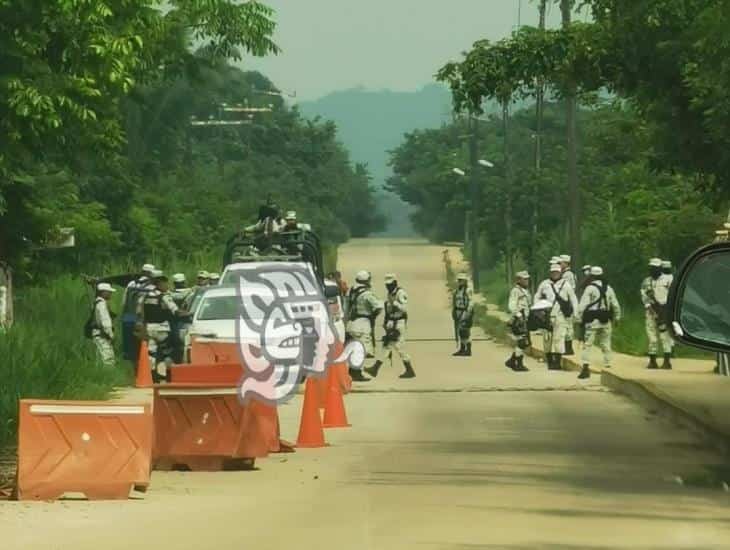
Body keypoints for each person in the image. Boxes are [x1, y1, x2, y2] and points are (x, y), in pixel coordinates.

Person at [137, 271, 189, 382]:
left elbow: (139, 312)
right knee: (168, 352)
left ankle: (152, 377)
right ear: (160, 284)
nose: (167, 286)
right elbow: (176, 311)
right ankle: (169, 375)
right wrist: (188, 313)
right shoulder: (164, 297)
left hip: (149, 328)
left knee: (151, 353)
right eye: (165, 284)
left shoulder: (144, 297)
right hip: (162, 329)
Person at [365, 274, 415, 379]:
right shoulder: (390, 294)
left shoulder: (400, 293)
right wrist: (386, 321)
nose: (388, 286)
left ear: (395, 283)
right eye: (387, 285)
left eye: (390, 284)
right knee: (391, 346)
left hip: (399, 323)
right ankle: (376, 368)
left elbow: (404, 309)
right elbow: (388, 309)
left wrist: (395, 303)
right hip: (392, 323)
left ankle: (376, 368)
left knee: (393, 346)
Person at [577, 266, 622, 380]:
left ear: (591, 276)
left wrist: (578, 319)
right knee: (606, 343)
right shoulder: (609, 288)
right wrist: (617, 318)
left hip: (592, 320)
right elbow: (615, 305)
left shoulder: (589, 289)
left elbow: (582, 305)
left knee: (587, 344)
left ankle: (586, 367)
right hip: (605, 319)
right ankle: (608, 365)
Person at [534, 264, 579, 371]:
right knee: (547, 339)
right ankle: (550, 362)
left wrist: (576, 313)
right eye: (553, 272)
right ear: (550, 272)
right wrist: (538, 310)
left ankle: (557, 362)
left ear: (560, 273)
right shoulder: (545, 284)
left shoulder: (566, 284)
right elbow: (537, 296)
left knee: (559, 339)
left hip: (560, 316)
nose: (555, 274)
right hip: (547, 316)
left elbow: (573, 299)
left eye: (557, 272)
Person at [345, 270, 383, 381]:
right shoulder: (367, 293)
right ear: (367, 280)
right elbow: (379, 306)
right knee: (362, 349)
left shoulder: (351, 291)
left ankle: (352, 371)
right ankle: (356, 373)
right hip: (362, 324)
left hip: (351, 323)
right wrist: (373, 316)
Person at [641, 258, 675, 369]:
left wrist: (665, 311)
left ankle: (667, 361)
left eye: (655, 268)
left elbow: (672, 295)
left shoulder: (668, 280)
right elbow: (644, 297)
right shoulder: (646, 281)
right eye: (651, 268)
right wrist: (652, 310)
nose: (653, 270)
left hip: (664, 311)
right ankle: (652, 361)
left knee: (665, 337)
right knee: (652, 337)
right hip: (650, 312)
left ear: (660, 268)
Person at [120, 263, 155, 362]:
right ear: (150, 274)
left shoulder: (131, 284)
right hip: (141, 319)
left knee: (129, 345)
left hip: (127, 317)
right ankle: (142, 365)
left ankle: (130, 364)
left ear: (142, 272)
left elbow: (123, 302)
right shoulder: (151, 286)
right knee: (142, 345)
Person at [506, 271, 532, 372]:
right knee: (522, 342)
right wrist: (519, 315)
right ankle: (518, 363)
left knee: (525, 342)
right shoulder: (515, 291)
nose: (526, 281)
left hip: (525, 318)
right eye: (524, 279)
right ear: (518, 280)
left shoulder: (525, 291)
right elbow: (511, 306)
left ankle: (512, 361)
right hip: (519, 319)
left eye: (527, 279)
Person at [92, 283, 117, 368]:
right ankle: (110, 377)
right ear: (103, 292)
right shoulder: (102, 304)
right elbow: (105, 322)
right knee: (108, 358)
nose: (111, 294)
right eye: (109, 292)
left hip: (98, 334)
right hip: (102, 335)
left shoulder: (98, 303)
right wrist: (111, 335)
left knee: (101, 359)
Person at [452, 273, 474, 357]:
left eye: (461, 280)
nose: (459, 282)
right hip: (458, 311)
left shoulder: (468, 290)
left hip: (465, 311)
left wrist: (468, 313)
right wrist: (454, 311)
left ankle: (468, 349)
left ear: (465, 281)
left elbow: (471, 302)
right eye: (458, 280)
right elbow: (455, 301)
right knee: (460, 331)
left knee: (465, 330)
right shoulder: (457, 291)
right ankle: (462, 348)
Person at [559, 254, 577, 356]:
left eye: (561, 263)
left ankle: (568, 347)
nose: (560, 265)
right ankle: (566, 347)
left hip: (567, 302)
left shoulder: (567, 275)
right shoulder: (568, 274)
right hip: (566, 302)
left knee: (568, 326)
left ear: (566, 263)